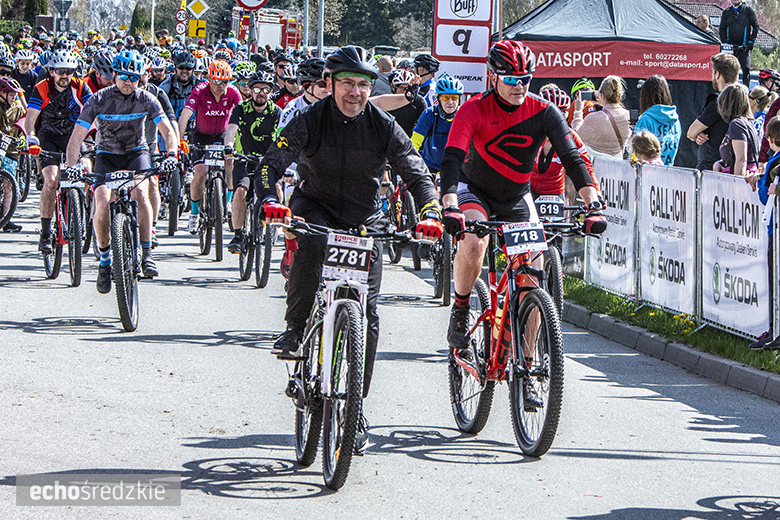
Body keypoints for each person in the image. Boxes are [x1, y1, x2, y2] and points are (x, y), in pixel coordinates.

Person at [257, 46, 443, 451]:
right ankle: (295, 329)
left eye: (362, 84)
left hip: (365, 218)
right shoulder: (310, 118)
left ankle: (355, 406)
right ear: (330, 83)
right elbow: (271, 164)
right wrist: (271, 199)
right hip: (315, 208)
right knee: (310, 249)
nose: (355, 92)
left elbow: (415, 170)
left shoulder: (382, 124)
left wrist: (430, 210)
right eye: (346, 84)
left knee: (368, 313)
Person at [439, 40, 605, 363]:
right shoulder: (472, 109)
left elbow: (572, 157)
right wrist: (449, 203)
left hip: (517, 197)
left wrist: (592, 203)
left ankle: (527, 363)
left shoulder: (544, 111)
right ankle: (460, 308)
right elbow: (452, 159)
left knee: (533, 277)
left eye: (526, 79)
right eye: (512, 79)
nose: (520, 86)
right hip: (475, 191)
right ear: (493, 77)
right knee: (473, 242)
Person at [63, 50, 179, 292]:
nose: (129, 82)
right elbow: (75, 139)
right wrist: (71, 166)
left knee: (141, 193)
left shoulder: (147, 98)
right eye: (124, 76)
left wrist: (171, 154)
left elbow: (168, 131)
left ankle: (146, 253)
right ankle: (105, 261)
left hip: (136, 152)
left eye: (134, 77)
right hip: (107, 154)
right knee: (102, 200)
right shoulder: (98, 99)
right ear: (114, 75)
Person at [24, 49, 93, 254]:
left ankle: (83, 212)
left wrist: (101, 137)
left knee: (87, 169)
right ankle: (46, 232)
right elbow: (30, 118)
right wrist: (31, 138)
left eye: (69, 71)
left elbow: (94, 112)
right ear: (52, 71)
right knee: (51, 180)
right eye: (60, 71)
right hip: (49, 136)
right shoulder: (42, 87)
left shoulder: (80, 87)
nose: (64, 75)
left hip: (73, 136)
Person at [178, 60, 242, 234]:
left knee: (230, 162)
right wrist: (179, 140)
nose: (222, 86)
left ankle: (228, 201)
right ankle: (194, 213)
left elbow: (243, 115)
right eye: (218, 82)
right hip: (201, 135)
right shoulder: (200, 90)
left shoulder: (233, 92)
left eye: (226, 82)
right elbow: (185, 115)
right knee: (201, 172)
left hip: (222, 134)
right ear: (209, 79)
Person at [224, 70, 281, 253]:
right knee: (240, 191)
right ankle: (238, 234)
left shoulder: (276, 112)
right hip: (245, 159)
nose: (261, 93)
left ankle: (274, 227)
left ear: (271, 91)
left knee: (277, 189)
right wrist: (229, 146)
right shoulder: (241, 109)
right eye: (257, 89)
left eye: (265, 89)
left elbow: (282, 135)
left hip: (268, 162)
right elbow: (231, 130)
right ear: (251, 90)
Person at [747, 115, 779, 350]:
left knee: (774, 281)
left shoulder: (773, 164)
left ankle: (774, 329)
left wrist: (758, 182)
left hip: (774, 229)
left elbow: (764, 196)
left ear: (770, 140)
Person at [140, 58, 178, 247]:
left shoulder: (157, 94)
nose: (140, 79)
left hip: (148, 145)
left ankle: (152, 228)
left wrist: (175, 148)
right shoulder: (118, 94)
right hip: (121, 147)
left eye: (144, 74)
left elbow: (171, 121)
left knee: (153, 183)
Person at [688, 53, 740, 171]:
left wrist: (696, 135)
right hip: (734, 164)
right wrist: (698, 135)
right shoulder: (743, 100)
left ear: (718, 74)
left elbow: (691, 132)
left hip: (711, 166)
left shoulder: (719, 102)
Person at [411, 74, 463, 174]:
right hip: (430, 167)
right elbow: (415, 143)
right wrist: (411, 164)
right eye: (445, 98)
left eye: (454, 98)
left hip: (456, 167)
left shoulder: (464, 116)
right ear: (438, 99)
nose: (450, 102)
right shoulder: (429, 114)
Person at [573, 75, 632, 160]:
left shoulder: (592, 118)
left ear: (602, 95)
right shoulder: (628, 116)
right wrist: (603, 102)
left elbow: (576, 137)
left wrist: (578, 111)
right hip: (617, 164)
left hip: (594, 165)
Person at [712, 84, 759, 177]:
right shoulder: (748, 122)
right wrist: (720, 163)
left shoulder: (737, 124)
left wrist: (736, 183)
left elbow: (741, 159)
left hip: (739, 178)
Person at [634, 75, 681, 166]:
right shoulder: (675, 120)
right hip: (669, 170)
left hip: (648, 171)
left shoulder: (645, 120)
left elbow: (636, 152)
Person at [0, 77, 26, 232]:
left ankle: (6, 219)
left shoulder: (17, 109)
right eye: (11, 94)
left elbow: (25, 126)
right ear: (2, 93)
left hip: (10, 151)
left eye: (15, 94)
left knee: (9, 186)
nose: (14, 97)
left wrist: (23, 137)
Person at [720, 0, 759, 87]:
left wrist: (751, 42)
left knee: (746, 69)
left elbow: (756, 27)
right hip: (730, 47)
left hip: (744, 46)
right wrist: (725, 43)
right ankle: (727, 90)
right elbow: (722, 28)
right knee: (728, 69)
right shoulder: (726, 12)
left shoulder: (748, 10)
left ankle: (745, 91)